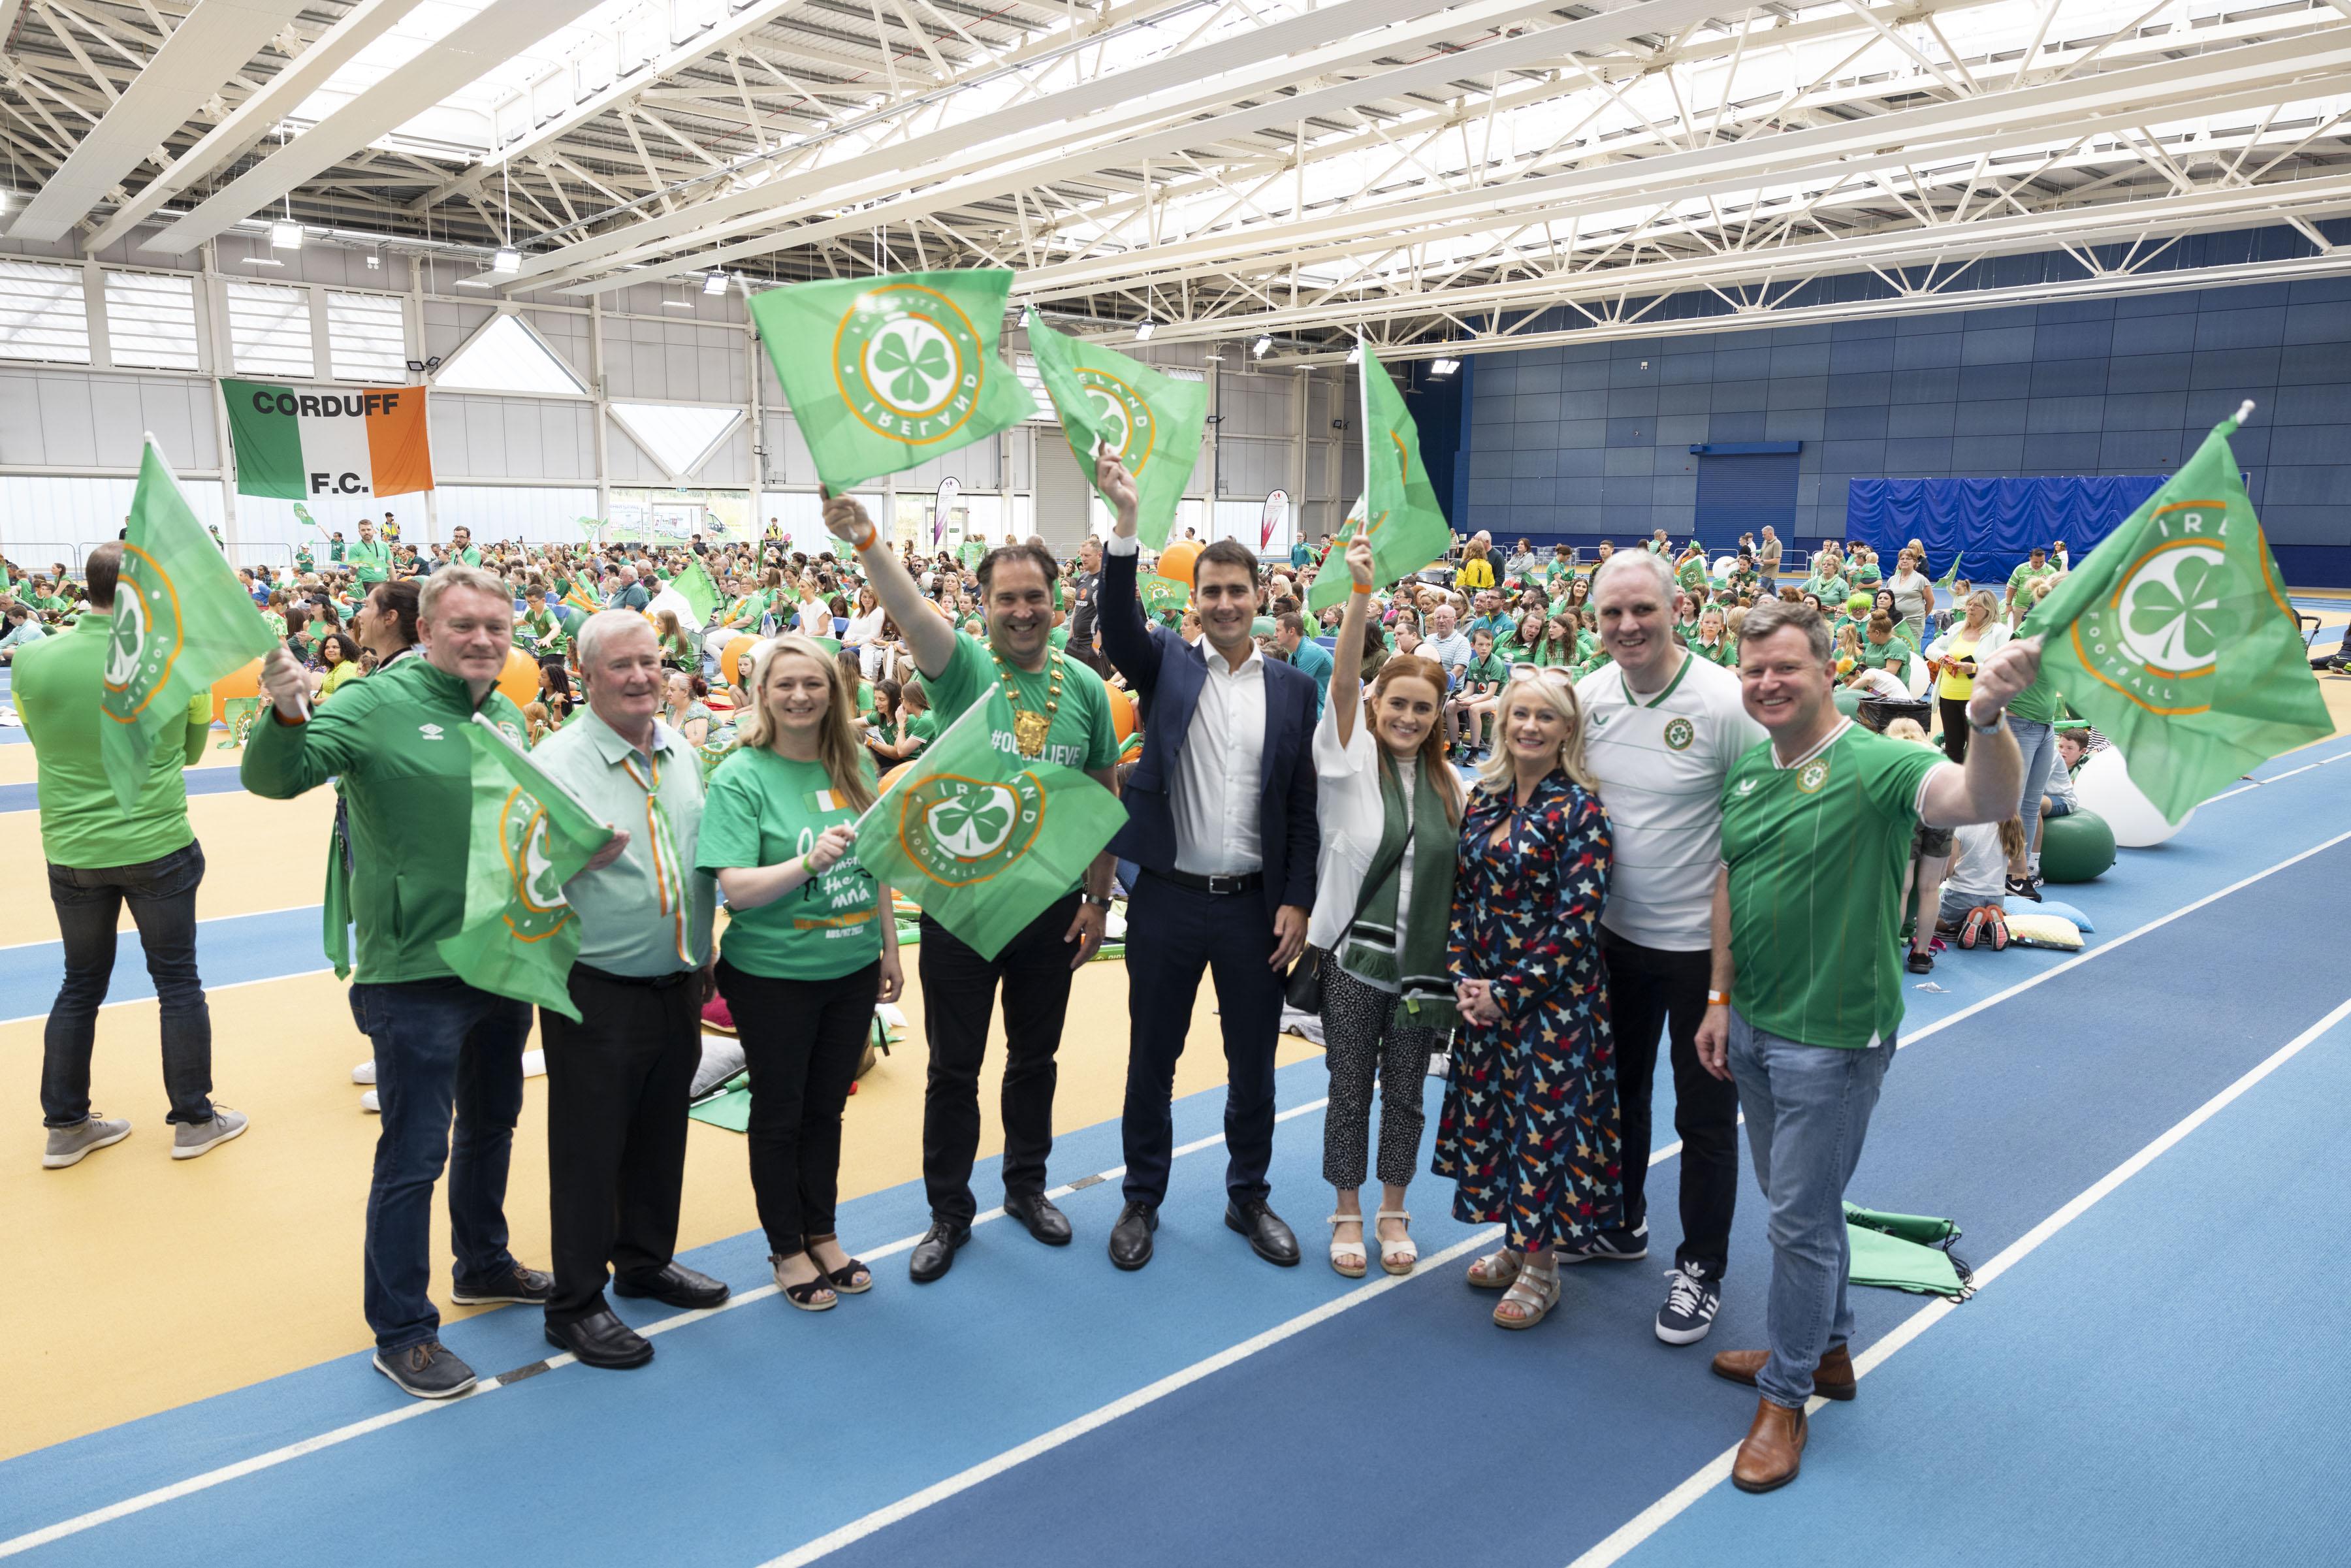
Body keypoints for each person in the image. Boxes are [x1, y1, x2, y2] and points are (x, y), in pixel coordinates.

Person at [1695, 597, 2039, 1492]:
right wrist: (1720, 997)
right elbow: (1730, 884)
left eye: (1788, 667)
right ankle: (1830, 1350)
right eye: (1755, 668)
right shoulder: (1747, 774)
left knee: (1798, 1219)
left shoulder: (1880, 761)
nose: (1769, 682)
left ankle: (1785, 1395)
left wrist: (1989, 716)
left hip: (1836, 1037)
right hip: (1759, 1025)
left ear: (1827, 671)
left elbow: (1986, 797)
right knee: (1794, 1200)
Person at [244, 564, 556, 1400]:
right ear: (424, 630)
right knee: (416, 1151)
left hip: (502, 957)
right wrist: (281, 709)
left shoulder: (507, 712)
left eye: (497, 626)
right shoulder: (374, 702)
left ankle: (483, 1262)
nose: (484, 640)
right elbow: (276, 777)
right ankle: (403, 1331)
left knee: (494, 1123)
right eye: (464, 626)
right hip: (414, 972)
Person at [822, 493, 1121, 1283]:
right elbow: (910, 609)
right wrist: (869, 542)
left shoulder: (1085, 689)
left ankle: (1026, 1188)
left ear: (1056, 603)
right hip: (959, 912)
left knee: (1035, 1059)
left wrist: (1098, 899)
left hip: (1051, 912)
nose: (1022, 612)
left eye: (1035, 598)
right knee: (954, 1068)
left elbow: (1103, 801)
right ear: (983, 605)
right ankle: (949, 1213)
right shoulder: (964, 672)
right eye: (1006, 598)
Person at [1096, 451, 1319, 1273]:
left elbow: (1303, 807)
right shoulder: (1166, 664)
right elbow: (1117, 626)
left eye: (1238, 591)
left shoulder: (1293, 690)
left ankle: (1247, 1197)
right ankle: (1140, 1199)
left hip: (1255, 908)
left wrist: (1298, 897)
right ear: (1194, 601)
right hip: (1166, 900)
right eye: (1211, 592)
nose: (1224, 603)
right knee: (1151, 1057)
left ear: (1261, 599)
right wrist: (1126, 525)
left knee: (1251, 1064)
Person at [1573, 549, 1765, 1341]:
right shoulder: (1587, 698)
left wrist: (1728, 973)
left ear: (1677, 608)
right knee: (1615, 1096)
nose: (1628, 626)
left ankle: (1701, 1266)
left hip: (1700, 950)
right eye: (1612, 613)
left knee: (1706, 1116)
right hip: (1613, 942)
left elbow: (1754, 835)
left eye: (1642, 610)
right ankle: (1622, 1223)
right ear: (1594, 620)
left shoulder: (1725, 701)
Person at [530, 612, 726, 1369]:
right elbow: (518, 879)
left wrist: (701, 943)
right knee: (588, 1149)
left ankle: (644, 1260)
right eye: (621, 666)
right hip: (595, 986)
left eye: (650, 661)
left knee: (658, 1132)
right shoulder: (558, 763)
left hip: (677, 977)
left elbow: (687, 855)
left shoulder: (678, 749)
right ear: (585, 678)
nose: (642, 676)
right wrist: (569, 864)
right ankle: (574, 1302)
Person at [20, 543, 248, 1169]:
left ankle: (65, 1125)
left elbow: (42, 739)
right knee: (177, 982)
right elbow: (196, 751)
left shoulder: (33, 658)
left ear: (88, 588)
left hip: (71, 848)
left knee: (79, 983)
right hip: (156, 845)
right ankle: (194, 1119)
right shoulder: (172, 663)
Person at [697, 633, 904, 1313]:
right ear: (762, 694)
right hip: (773, 977)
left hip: (849, 971)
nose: (800, 696)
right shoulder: (740, 775)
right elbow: (736, 887)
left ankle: (824, 1230)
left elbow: (875, 868)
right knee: (781, 1113)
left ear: (833, 692)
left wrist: (889, 948)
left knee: (827, 1110)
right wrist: (806, 864)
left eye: (813, 684)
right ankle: (786, 1245)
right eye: (785, 684)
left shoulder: (853, 768)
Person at [1437, 666, 1616, 1329]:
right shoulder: (1484, 798)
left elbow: (1577, 922)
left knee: (1544, 1131)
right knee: (1500, 1122)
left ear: (1566, 729)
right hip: (1485, 995)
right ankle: (1516, 1242)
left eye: (1545, 716)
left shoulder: (1582, 810)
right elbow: (1462, 897)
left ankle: (1544, 1268)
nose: (1529, 726)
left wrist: (1506, 992)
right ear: (1503, 723)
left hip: (1554, 1004)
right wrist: (1465, 977)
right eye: (1519, 714)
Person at [1307, 537, 1462, 1278]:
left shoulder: (1448, 787)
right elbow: (1341, 685)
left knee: (1405, 1094)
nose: (1408, 716)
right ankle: (1346, 1210)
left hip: (1422, 971)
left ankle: (1395, 1210)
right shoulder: (1348, 761)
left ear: (1438, 716)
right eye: (1397, 702)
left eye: (1422, 708)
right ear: (1377, 703)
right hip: (1352, 962)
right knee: (1349, 1091)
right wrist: (1363, 596)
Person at [1925, 590, 2008, 764]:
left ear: (1989, 609)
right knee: (1952, 748)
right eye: (1969, 604)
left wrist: (1976, 668)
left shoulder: (1999, 632)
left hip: (1978, 701)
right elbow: (1931, 649)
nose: (1970, 608)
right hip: (1948, 697)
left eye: (1976, 605)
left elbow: (2007, 665)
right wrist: (1943, 658)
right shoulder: (1957, 628)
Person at [1275, 611, 1334, 717]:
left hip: (1323, 711)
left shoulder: (1310, 652)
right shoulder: (1295, 653)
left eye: (1278, 631)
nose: (1275, 635)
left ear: (1291, 631)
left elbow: (1296, 690)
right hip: (1314, 706)